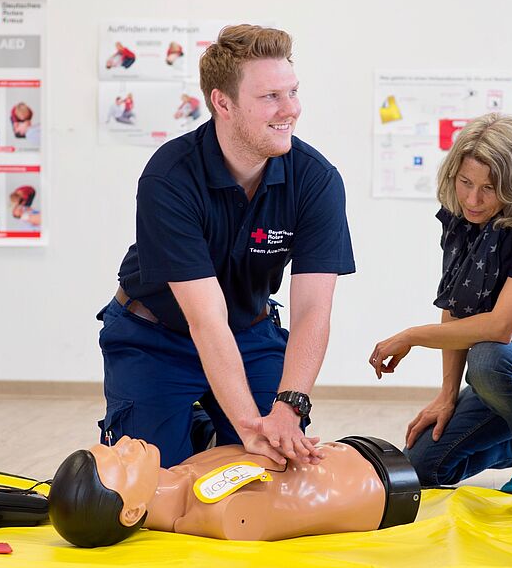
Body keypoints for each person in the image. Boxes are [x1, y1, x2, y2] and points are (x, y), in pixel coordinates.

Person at [99, 24, 354, 469]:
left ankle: (207, 428)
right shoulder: (169, 178)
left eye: (293, 92)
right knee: (152, 479)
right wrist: (249, 427)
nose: (290, 109)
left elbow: (313, 309)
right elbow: (206, 318)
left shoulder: (316, 180)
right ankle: (197, 428)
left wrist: (289, 407)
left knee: (276, 465)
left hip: (249, 332)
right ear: (223, 103)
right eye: (270, 96)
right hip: (154, 336)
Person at [368, 113, 512, 490]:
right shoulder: (461, 216)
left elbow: (501, 328)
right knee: (420, 466)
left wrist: (411, 336)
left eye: (489, 188)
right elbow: (456, 306)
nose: (473, 199)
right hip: (503, 378)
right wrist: (446, 396)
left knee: (486, 358)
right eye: (465, 182)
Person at [48, 434, 419, 546]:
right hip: (383, 483)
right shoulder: (222, 511)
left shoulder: (183, 477)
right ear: (130, 512)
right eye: (122, 460)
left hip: (362, 457)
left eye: (112, 447)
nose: (126, 442)